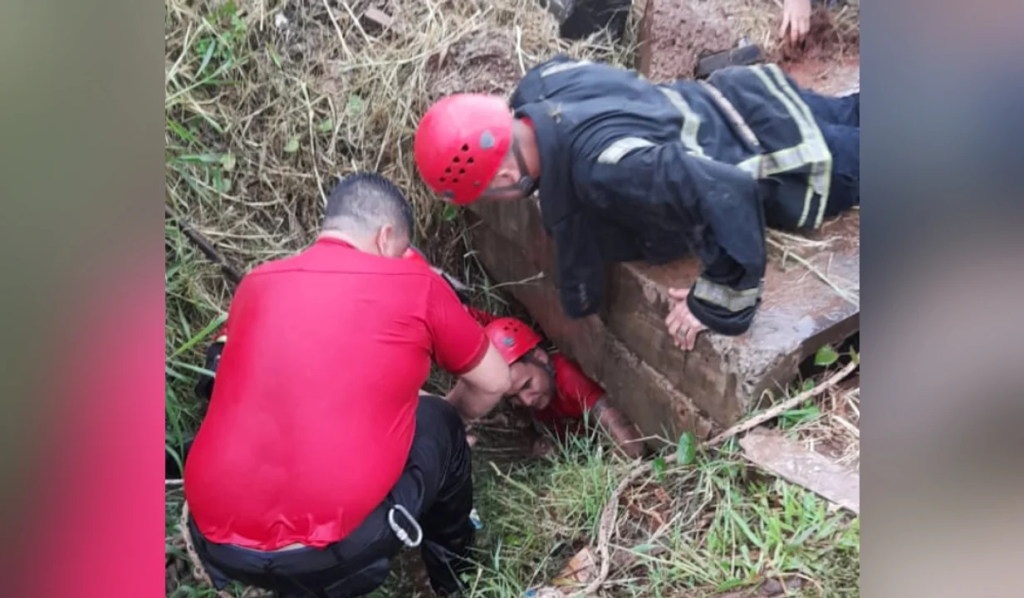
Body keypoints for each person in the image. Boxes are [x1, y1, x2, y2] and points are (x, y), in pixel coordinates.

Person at [182, 172, 512, 598]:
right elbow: (495, 380)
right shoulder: (415, 284)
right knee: (444, 422)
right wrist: (453, 423)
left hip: (219, 544)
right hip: (331, 555)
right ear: (385, 236)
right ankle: (453, 579)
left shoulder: (256, 283)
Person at [412, 55, 859, 352]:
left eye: (490, 192)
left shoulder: (606, 168)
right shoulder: (541, 86)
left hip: (786, 153)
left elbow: (729, 190)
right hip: (750, 95)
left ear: (506, 176)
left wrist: (718, 301)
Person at [481, 316, 646, 459]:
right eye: (514, 397)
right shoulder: (540, 392)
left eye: (527, 385)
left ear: (540, 357)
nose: (526, 400)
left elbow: (631, 444)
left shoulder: (570, 379)